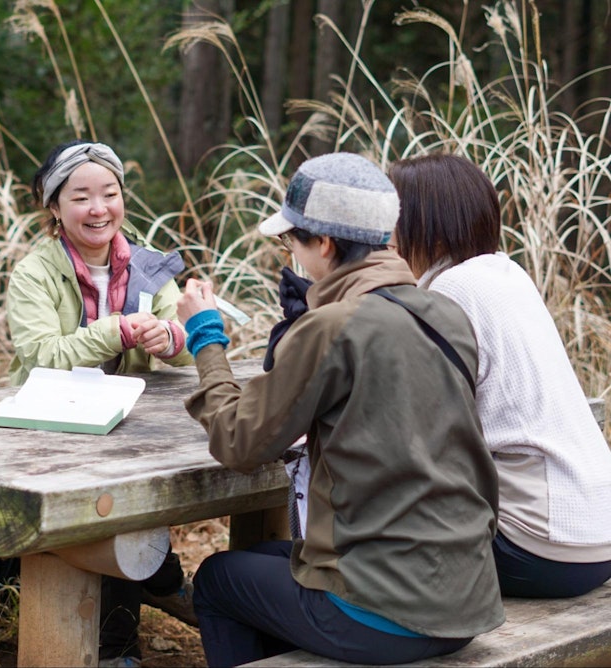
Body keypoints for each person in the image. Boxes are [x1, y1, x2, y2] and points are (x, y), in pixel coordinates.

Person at [176, 152, 505, 667]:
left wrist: (206, 338)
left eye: (292, 241)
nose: (291, 255)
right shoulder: (445, 314)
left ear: (324, 243)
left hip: (383, 612)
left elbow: (240, 443)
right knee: (266, 560)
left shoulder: (333, 326)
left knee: (218, 579)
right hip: (467, 597)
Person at [2, 140, 195, 666]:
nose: (98, 208)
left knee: (125, 505)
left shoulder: (151, 266)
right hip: (46, 434)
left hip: (125, 430)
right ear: (54, 207)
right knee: (110, 515)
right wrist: (116, 331)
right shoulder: (34, 273)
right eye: (81, 196)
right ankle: (152, 593)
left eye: (109, 193)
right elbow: (42, 356)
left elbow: (191, 349)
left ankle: (119, 638)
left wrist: (170, 340)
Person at [390, 153, 611, 598]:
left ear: (425, 225)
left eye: (391, 217)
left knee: (371, 551)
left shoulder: (448, 293)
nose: (385, 235)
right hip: (596, 536)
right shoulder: (508, 275)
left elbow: (415, 433)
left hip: (536, 546)